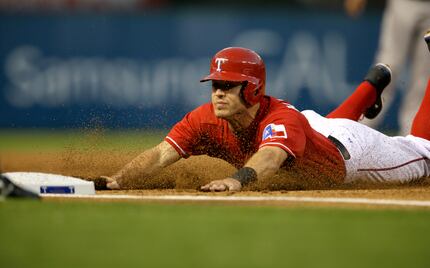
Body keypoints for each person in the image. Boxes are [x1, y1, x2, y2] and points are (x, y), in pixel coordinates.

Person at [100, 41, 430, 192]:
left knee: (423, 150)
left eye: (228, 86)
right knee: (326, 123)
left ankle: (373, 85)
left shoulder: (282, 119)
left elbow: (270, 158)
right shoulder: (206, 118)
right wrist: (119, 178)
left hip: (351, 152)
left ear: (254, 90)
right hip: (314, 128)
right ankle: (370, 89)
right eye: (215, 84)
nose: (218, 93)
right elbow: (160, 153)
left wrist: (236, 180)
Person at [345, 0, 430, 135]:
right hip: (404, 4)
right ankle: (357, 132)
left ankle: (412, 138)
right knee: (388, 67)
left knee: (424, 78)